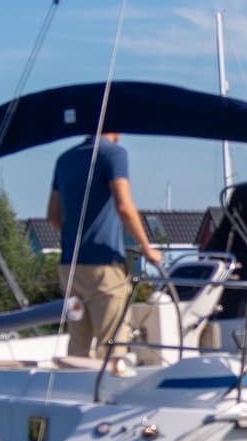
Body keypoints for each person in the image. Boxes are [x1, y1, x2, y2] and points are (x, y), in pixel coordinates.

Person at [46, 131, 162, 360]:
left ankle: (74, 391)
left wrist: (77, 240)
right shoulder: (113, 154)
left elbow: (52, 216)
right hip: (104, 267)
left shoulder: (65, 159)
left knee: (78, 343)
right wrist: (147, 247)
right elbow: (124, 206)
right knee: (112, 342)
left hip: (70, 266)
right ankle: (107, 393)